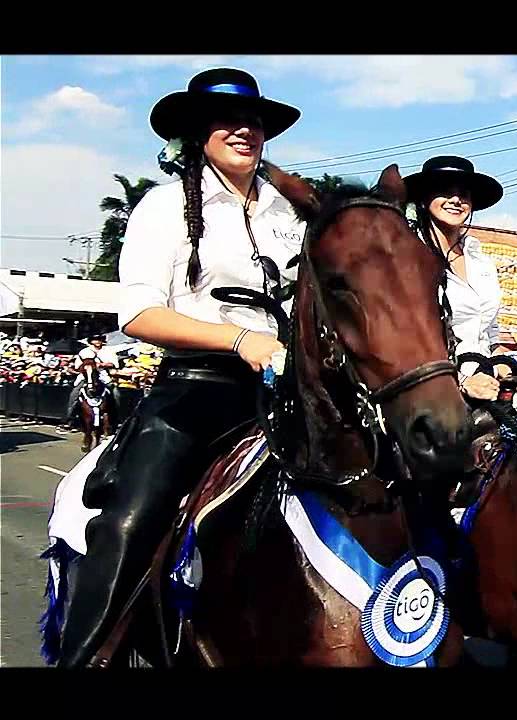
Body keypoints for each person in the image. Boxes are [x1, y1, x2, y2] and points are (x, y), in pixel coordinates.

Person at [56, 67, 305, 668]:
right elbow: (139, 314)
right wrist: (239, 339)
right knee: (129, 522)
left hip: (287, 392)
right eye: (227, 121)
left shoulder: (290, 212)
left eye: (254, 122)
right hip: (196, 391)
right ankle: (86, 658)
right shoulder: (163, 205)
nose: (244, 131)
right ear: (198, 133)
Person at [403, 155, 507, 402]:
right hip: (427, 393)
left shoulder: (481, 261)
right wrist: (461, 381)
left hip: (486, 386)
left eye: (464, 194)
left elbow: (491, 335)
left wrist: (506, 363)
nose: (456, 200)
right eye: (445, 191)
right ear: (424, 199)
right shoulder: (407, 259)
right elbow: (403, 339)